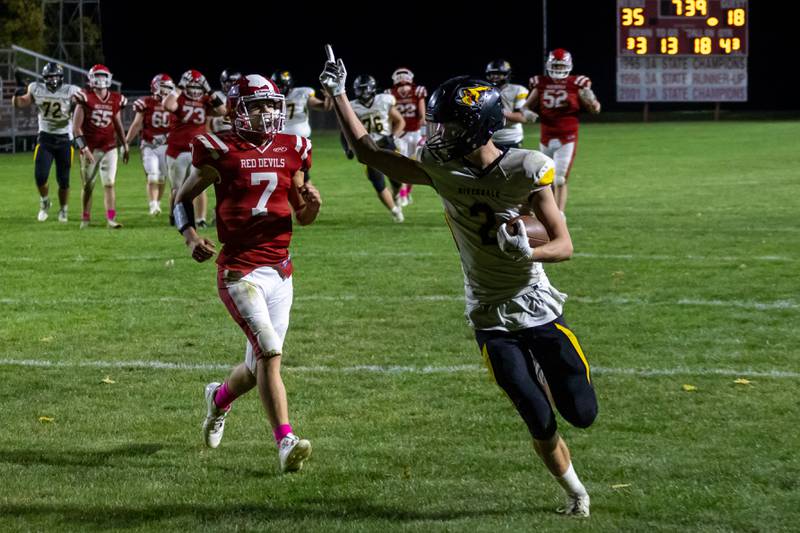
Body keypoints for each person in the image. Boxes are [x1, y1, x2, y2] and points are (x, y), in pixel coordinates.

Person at [321, 50, 597, 516]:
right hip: (488, 311)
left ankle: (556, 390)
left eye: (446, 124)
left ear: (475, 125)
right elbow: (370, 152)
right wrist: (339, 94)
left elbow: (563, 243)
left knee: (582, 413)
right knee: (534, 413)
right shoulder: (440, 165)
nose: (436, 133)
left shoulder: (527, 168)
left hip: (536, 303)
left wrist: (528, 249)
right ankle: (576, 492)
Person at [173, 74, 320, 473]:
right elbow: (181, 199)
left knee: (258, 370)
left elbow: (301, 215)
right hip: (240, 273)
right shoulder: (217, 148)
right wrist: (190, 239)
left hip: (281, 272)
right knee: (270, 353)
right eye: (257, 105)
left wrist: (312, 205)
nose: (267, 112)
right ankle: (286, 440)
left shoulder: (294, 147)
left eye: (272, 105)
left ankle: (218, 399)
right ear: (238, 109)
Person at [524, 49, 601, 217]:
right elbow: (526, 106)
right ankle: (548, 211)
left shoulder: (577, 83)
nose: (558, 69)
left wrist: (592, 99)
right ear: (549, 65)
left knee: (560, 178)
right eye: (556, 65)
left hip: (567, 136)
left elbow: (595, 110)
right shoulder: (541, 83)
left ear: (568, 66)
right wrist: (527, 113)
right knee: (546, 178)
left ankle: (560, 214)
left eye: (561, 66)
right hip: (546, 136)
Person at [12, 62, 82, 223]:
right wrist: (17, 95)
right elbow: (20, 103)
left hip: (65, 138)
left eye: (56, 76)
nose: (53, 80)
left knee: (63, 179)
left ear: (61, 77)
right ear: (44, 78)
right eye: (49, 77)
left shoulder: (71, 90)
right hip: (45, 137)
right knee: (40, 176)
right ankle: (45, 202)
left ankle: (63, 209)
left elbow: (83, 103)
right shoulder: (36, 88)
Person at [162, 69, 226, 228]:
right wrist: (180, 87)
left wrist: (210, 90)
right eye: (192, 86)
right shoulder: (179, 97)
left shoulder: (205, 99)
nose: (196, 90)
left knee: (200, 186)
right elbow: (167, 105)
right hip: (177, 150)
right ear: (185, 85)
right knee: (177, 188)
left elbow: (223, 111)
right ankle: (174, 216)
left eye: (199, 86)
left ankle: (200, 219)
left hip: (197, 149)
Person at [72, 64, 129, 229]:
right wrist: (84, 148)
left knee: (109, 183)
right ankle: (85, 217)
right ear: (91, 79)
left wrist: (125, 144)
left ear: (109, 78)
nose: (101, 79)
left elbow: (117, 123)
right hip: (90, 148)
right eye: (97, 76)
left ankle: (111, 218)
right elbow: (76, 127)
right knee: (88, 185)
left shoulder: (116, 99)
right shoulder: (85, 97)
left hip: (109, 147)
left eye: (104, 76)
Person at [346, 74, 406, 223]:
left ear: (372, 88)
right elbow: (346, 130)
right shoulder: (353, 106)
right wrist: (348, 147)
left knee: (397, 179)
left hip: (386, 145)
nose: (363, 93)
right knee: (378, 183)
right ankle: (395, 211)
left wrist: (392, 137)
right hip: (368, 148)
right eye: (360, 90)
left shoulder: (383, 100)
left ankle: (397, 195)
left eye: (365, 89)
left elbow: (400, 122)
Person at [125, 73, 175, 215]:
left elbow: (178, 125)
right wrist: (126, 142)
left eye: (168, 88)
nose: (165, 91)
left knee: (162, 177)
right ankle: (153, 205)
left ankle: (158, 202)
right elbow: (136, 125)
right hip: (149, 145)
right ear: (155, 87)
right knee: (152, 175)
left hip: (167, 145)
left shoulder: (173, 104)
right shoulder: (146, 102)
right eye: (163, 87)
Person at [271, 69, 331, 183]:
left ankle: (307, 195)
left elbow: (324, 107)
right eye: (276, 85)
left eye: (281, 85)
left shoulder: (302, 92)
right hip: (279, 140)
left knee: (301, 174)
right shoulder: (271, 97)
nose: (279, 88)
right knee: (282, 174)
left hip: (300, 140)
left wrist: (329, 97)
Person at [387, 67, 427, 207]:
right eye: (401, 85)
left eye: (406, 84)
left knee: (413, 166)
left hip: (415, 134)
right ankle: (402, 195)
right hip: (400, 134)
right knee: (402, 166)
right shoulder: (389, 94)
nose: (404, 88)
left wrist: (423, 134)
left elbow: (422, 116)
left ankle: (406, 193)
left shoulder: (418, 92)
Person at [485, 59, 537, 150]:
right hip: (488, 140)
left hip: (510, 139)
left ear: (506, 74)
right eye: (492, 74)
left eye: (498, 74)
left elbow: (522, 117)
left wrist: (498, 112)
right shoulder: (483, 90)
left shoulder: (518, 90)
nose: (495, 77)